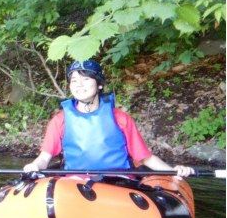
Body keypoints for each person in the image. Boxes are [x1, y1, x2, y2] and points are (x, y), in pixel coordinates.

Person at [23, 60, 194, 179]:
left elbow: (145, 158)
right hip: (74, 183)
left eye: (85, 79)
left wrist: (172, 171)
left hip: (118, 181)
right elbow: (45, 157)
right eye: (74, 80)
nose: (78, 84)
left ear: (99, 84)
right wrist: (34, 166)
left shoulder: (121, 118)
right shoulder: (60, 120)